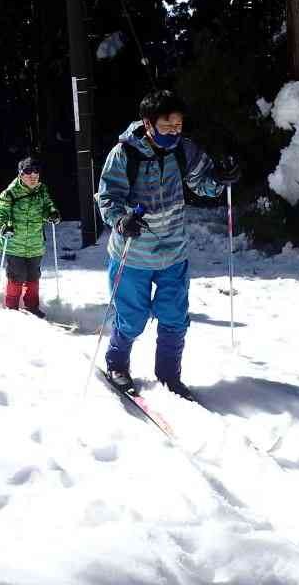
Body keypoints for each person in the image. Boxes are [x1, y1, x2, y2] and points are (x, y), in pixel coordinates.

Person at [96, 90, 240, 400]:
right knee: (132, 318)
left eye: (179, 126)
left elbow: (203, 182)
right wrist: (121, 220)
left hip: (173, 251)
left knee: (175, 316)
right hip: (133, 254)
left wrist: (221, 177)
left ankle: (169, 375)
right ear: (148, 123)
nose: (174, 132)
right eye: (167, 126)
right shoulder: (124, 154)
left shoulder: (182, 150)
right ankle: (117, 364)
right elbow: (108, 197)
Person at [0, 156, 61, 318]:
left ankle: (32, 307)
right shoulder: (9, 194)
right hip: (14, 243)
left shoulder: (42, 190)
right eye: (28, 172)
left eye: (36, 171)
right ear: (20, 174)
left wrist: (51, 214)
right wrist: (3, 227)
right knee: (16, 275)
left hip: (35, 244)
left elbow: (47, 206)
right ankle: (12, 307)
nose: (33, 175)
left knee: (33, 276)